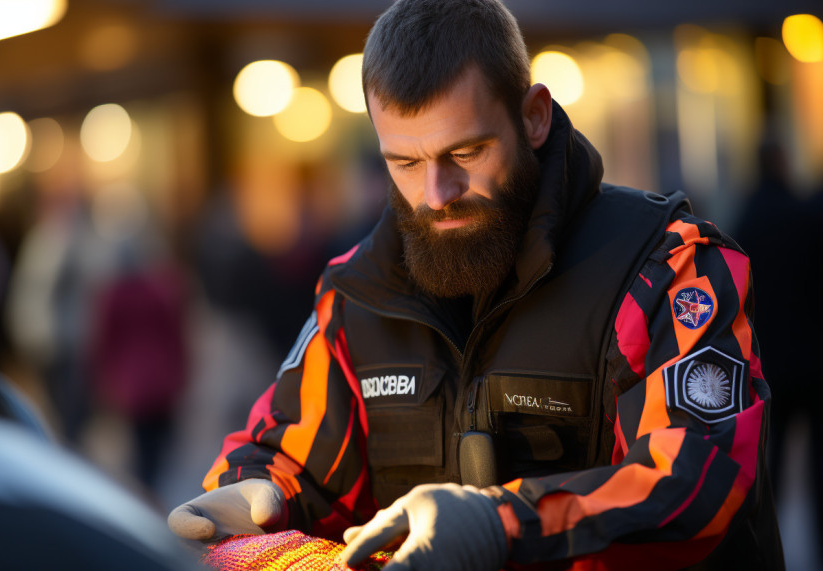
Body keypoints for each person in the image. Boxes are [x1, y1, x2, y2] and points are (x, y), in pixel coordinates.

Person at [168, 0, 784, 568]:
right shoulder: (355, 293)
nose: (436, 195)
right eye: (404, 163)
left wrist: (502, 524)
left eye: (465, 153)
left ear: (535, 117)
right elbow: (290, 456)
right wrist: (255, 487)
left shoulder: (668, 263)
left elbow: (698, 478)